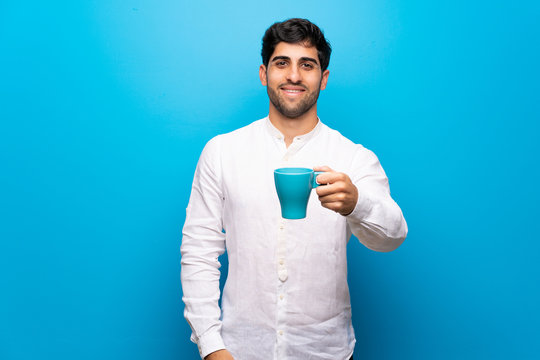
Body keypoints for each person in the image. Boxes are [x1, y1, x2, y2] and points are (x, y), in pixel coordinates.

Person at [181, 18, 408, 360]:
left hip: (325, 352)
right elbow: (199, 252)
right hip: (240, 350)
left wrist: (356, 204)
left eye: (307, 65)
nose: (294, 76)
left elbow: (393, 236)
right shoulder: (222, 152)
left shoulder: (353, 157)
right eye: (281, 63)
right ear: (264, 74)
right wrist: (212, 347)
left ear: (324, 78)